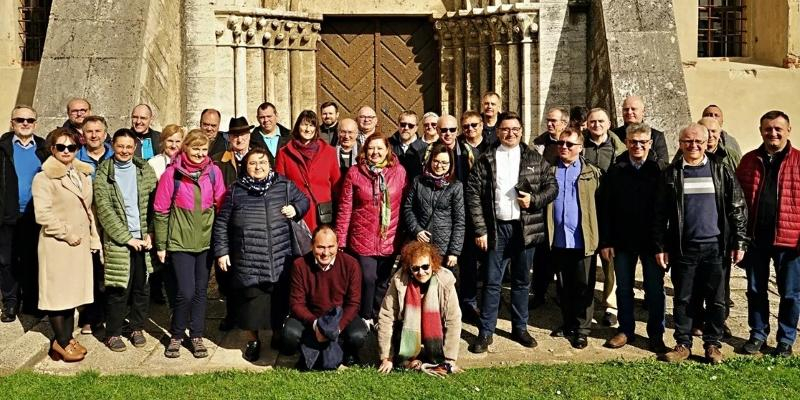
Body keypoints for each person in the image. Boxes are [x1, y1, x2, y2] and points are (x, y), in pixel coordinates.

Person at [653, 123, 747, 365]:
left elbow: (737, 207)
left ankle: (712, 345)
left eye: (698, 141)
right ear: (680, 144)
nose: (693, 146)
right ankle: (683, 344)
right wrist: (661, 246)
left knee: (716, 300)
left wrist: (739, 241)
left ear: (707, 143)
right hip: (684, 249)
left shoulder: (720, 170)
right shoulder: (672, 174)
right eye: (687, 141)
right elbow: (659, 215)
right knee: (683, 298)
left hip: (716, 247)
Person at [467, 112, 558, 353]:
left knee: (521, 281)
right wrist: (480, 229)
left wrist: (535, 199)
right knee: (492, 282)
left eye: (515, 129)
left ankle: (520, 327)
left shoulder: (533, 157)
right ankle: (486, 331)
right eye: (505, 129)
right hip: (496, 228)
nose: (511, 133)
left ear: (521, 130)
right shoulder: (486, 158)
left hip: (524, 228)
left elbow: (552, 186)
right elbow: (473, 194)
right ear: (497, 132)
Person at [213, 147, 309, 362]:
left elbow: (304, 201)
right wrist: (222, 251)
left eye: (262, 162)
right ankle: (253, 340)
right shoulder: (236, 191)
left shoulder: (284, 185)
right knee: (251, 305)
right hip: (248, 258)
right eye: (253, 163)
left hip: (279, 255)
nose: (258, 167)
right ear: (245, 168)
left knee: (278, 301)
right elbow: (221, 223)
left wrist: (295, 209)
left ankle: (276, 334)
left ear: (270, 165)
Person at [153, 129, 226, 359]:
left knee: (200, 292)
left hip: (205, 242)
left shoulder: (213, 172)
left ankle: (196, 335)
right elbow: (161, 210)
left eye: (204, 149)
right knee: (185, 291)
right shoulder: (171, 175)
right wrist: (162, 245)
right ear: (185, 148)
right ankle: (176, 334)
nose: (200, 153)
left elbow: (221, 204)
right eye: (196, 148)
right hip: (180, 242)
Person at [32, 128, 101, 362]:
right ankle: (61, 341)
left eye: (71, 147)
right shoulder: (43, 178)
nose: (66, 151)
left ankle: (67, 339)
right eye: (60, 147)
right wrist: (66, 234)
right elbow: (43, 215)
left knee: (72, 295)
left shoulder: (82, 175)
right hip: (57, 244)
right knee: (57, 295)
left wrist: (93, 237)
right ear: (52, 149)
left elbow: (88, 211)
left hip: (79, 245)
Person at [736, 110, 800, 357]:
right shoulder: (749, 160)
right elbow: (738, 201)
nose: (772, 133)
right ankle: (758, 334)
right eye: (768, 129)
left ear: (788, 130)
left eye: (778, 129)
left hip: (790, 241)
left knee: (791, 294)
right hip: (756, 240)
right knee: (755, 290)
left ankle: (785, 339)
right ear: (761, 130)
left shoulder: (798, 161)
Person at [599, 123, 666, 353]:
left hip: (652, 242)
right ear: (626, 143)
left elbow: (664, 211)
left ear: (649, 144)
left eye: (642, 142)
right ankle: (625, 330)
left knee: (655, 290)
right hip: (622, 240)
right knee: (624, 288)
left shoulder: (659, 170)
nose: (637, 146)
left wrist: (662, 245)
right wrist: (605, 241)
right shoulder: (617, 169)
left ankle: (656, 334)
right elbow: (605, 208)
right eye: (633, 142)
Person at [93, 129, 158, 352]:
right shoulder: (103, 173)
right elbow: (104, 210)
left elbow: (154, 205)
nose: (125, 151)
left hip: (143, 239)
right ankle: (113, 332)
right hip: (119, 241)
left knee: (142, 286)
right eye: (121, 146)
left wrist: (151, 233)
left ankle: (136, 327)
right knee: (118, 288)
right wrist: (128, 239)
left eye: (129, 147)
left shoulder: (144, 170)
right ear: (113, 146)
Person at [336, 133, 407, 327]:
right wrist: (340, 239)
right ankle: (365, 316)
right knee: (367, 278)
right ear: (365, 150)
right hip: (362, 237)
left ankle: (378, 317)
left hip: (389, 237)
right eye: (371, 148)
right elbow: (345, 207)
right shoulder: (354, 173)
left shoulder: (399, 172)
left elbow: (404, 204)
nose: (375, 152)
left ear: (387, 151)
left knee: (384, 281)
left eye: (379, 148)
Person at [546, 128, 602, 349]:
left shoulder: (592, 174)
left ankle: (582, 329)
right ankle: (568, 323)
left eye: (570, 144)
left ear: (580, 148)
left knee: (583, 285)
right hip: (558, 239)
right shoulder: (550, 171)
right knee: (563, 285)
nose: (564, 148)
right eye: (561, 144)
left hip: (582, 239)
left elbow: (601, 208)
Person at [283, 226, 367, 368]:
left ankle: (347, 352)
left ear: (338, 245)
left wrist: (336, 329)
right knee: (290, 334)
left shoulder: (351, 264)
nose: (326, 253)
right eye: (320, 247)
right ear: (312, 245)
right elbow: (296, 303)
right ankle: (308, 349)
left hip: (339, 316)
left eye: (330, 247)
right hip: (311, 317)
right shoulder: (300, 265)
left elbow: (353, 303)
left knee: (358, 335)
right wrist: (316, 325)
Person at [377, 241, 462, 375]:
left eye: (425, 267)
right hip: (407, 330)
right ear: (409, 268)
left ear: (433, 264)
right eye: (415, 268)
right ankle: (409, 360)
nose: (421, 272)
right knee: (398, 336)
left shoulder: (446, 280)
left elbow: (453, 320)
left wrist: (450, 359)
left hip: (435, 332)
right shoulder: (399, 280)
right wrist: (386, 357)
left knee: (440, 355)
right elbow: (386, 316)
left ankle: (433, 359)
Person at [0, 105, 48, 322]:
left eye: (30, 120)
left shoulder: (44, 149)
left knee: (31, 258)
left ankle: (30, 301)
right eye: (20, 120)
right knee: (7, 260)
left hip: (34, 215)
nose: (25, 123)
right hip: (7, 213)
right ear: (13, 123)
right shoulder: (2, 148)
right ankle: (10, 303)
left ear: (35, 123)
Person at [581, 107, 625, 327]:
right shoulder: (580, 148)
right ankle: (583, 304)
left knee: (610, 264)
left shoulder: (619, 151)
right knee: (586, 262)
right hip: (586, 213)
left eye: (601, 121)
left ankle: (611, 306)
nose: (596, 125)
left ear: (609, 124)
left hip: (611, 213)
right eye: (592, 121)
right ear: (587, 124)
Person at [275, 110, 341, 232]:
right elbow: (279, 186)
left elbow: (336, 186)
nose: (307, 129)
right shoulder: (284, 153)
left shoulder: (329, 152)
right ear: (297, 126)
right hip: (297, 212)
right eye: (304, 124)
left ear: (316, 129)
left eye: (311, 125)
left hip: (322, 213)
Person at [402, 143, 465, 265]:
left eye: (444, 163)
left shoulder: (456, 186)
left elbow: (459, 221)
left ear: (450, 164)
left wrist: (454, 252)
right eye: (436, 161)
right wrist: (416, 229)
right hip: (420, 243)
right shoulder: (418, 181)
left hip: (444, 247)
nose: (439, 165)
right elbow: (408, 208)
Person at [610, 95, 669, 169]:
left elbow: (663, 165)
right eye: (626, 109)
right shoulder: (613, 135)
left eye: (633, 109)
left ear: (643, 112)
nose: (629, 112)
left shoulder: (656, 136)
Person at [388, 110, 427, 181]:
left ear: (416, 128)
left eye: (411, 126)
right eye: (403, 124)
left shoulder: (424, 148)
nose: (406, 128)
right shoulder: (387, 145)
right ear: (398, 125)